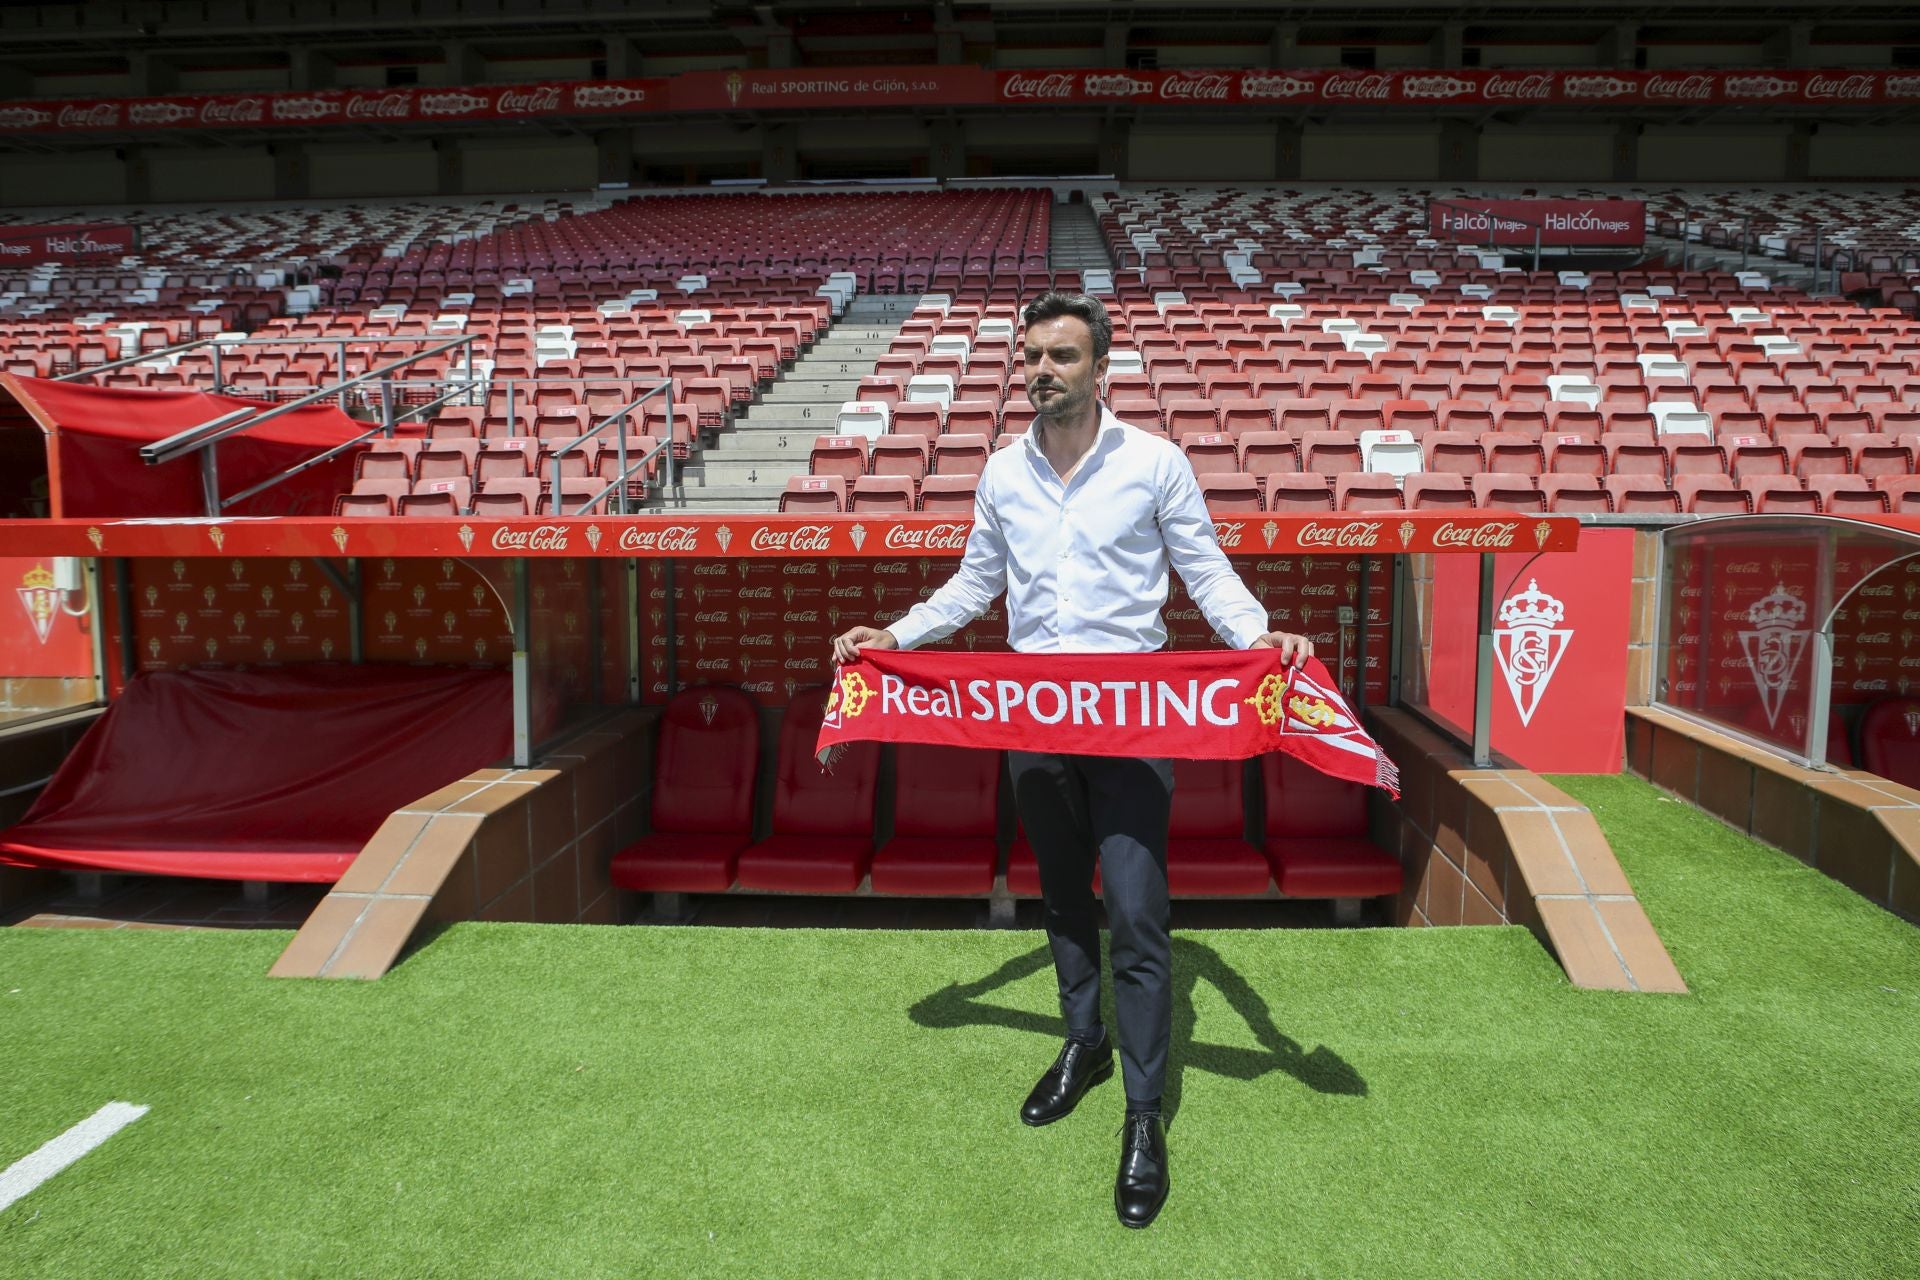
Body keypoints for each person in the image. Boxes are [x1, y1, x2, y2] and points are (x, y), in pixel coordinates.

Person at [831, 291, 1314, 1229]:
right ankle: (1082, 1043)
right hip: (1035, 712)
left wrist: (1260, 639)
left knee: (1135, 911)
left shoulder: (1155, 463)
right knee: (1060, 898)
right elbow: (977, 581)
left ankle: (1143, 1114)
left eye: (1062, 356)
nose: (1043, 370)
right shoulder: (1003, 472)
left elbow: (1205, 569)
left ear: (1101, 367)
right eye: (1033, 357)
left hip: (1132, 715)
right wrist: (893, 633)